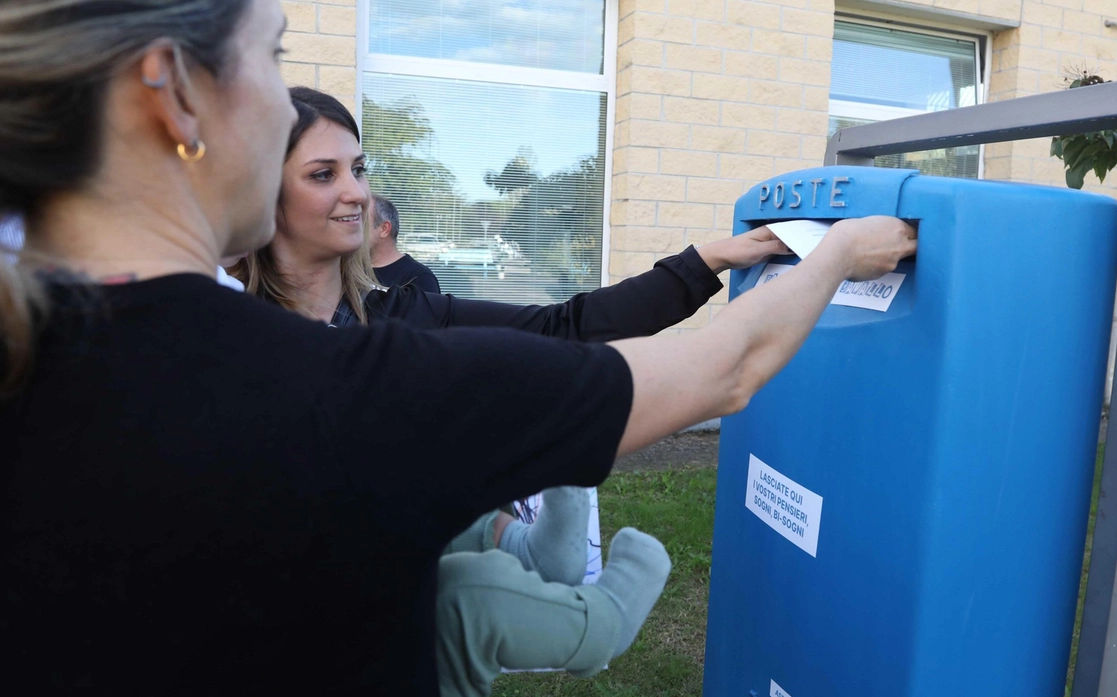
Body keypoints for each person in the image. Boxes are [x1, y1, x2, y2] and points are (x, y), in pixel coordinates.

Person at [0, 2, 917, 697]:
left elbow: (568, 324)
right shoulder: (348, 396)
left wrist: (710, 259)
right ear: (175, 94)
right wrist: (836, 255)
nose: (282, 104)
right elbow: (725, 371)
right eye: (271, 55)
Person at [235, 87, 793, 588]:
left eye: (359, 168)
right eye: (322, 174)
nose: (357, 193)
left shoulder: (406, 316)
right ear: (264, 194)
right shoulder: (224, 329)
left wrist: (709, 259)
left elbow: (567, 328)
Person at [369, 192, 440, 291]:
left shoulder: (419, 279)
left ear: (384, 229)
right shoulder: (349, 270)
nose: (353, 227)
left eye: (362, 221)